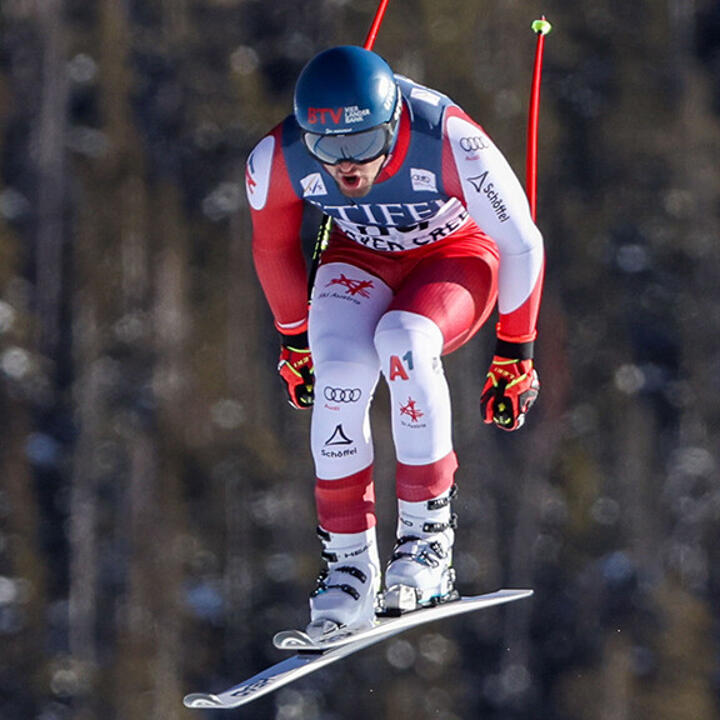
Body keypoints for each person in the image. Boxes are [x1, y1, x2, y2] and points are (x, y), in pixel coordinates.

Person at [245, 46, 543, 637]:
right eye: (327, 148)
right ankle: (349, 570)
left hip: (457, 256)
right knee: (339, 375)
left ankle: (428, 547)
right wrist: (293, 341)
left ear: (393, 122)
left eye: (360, 146)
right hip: (361, 255)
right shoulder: (276, 158)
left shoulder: (451, 141)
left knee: (403, 341)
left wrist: (515, 351)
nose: (345, 167)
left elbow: (522, 242)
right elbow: (271, 246)